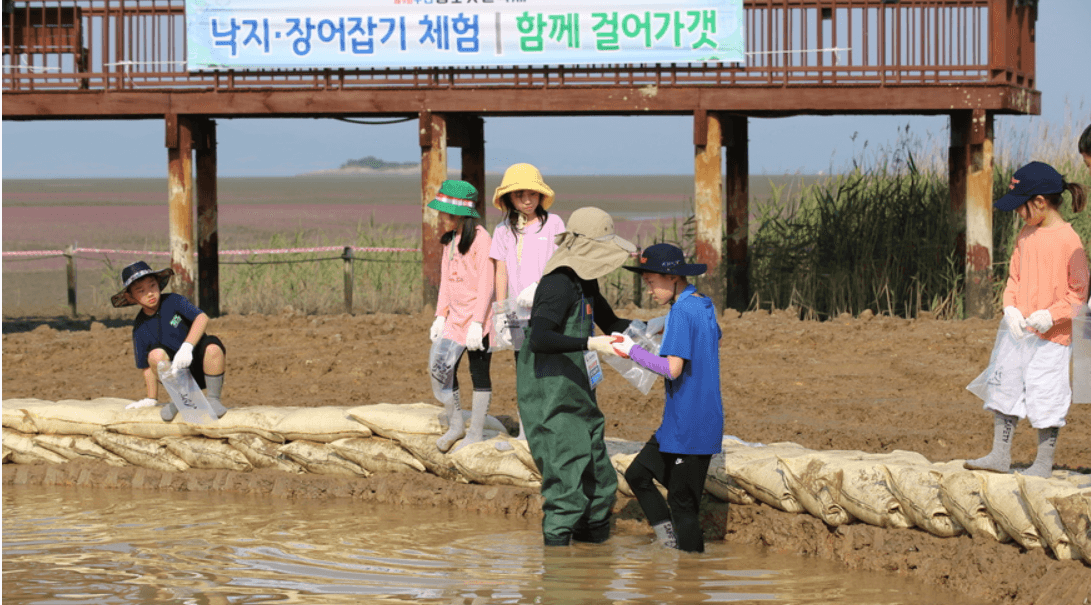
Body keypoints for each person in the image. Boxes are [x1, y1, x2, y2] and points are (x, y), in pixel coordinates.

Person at [517, 206, 635, 546]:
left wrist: (654, 329)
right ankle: (559, 576)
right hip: (550, 394)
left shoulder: (585, 279)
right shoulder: (558, 284)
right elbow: (540, 338)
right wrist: (591, 342)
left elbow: (611, 322)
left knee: (600, 480)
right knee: (565, 484)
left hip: (579, 389)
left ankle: (593, 564)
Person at [965, 161, 1088, 478]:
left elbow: (1079, 293)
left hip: (1052, 337)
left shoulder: (1068, 240)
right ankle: (999, 454)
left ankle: (1043, 463)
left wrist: (1052, 315)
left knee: (1046, 393)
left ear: (1040, 202)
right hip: (1018, 333)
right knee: (1004, 387)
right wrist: (1010, 308)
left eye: (1021, 208)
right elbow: (1014, 279)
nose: (1018, 214)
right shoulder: (1025, 234)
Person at [612, 244, 724, 552]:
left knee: (683, 506)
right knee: (638, 474)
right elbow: (714, 336)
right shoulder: (702, 303)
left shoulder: (681, 311)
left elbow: (672, 369)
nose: (648, 290)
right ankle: (668, 543)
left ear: (670, 277)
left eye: (650, 282)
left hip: (690, 423)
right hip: (681, 421)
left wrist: (631, 351)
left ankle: (689, 579)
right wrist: (664, 327)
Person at [490, 163, 566, 440]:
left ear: (540, 195)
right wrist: (501, 312)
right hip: (516, 314)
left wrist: (539, 287)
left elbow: (560, 263)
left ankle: (551, 427)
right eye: (519, 194)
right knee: (524, 371)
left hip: (548, 311)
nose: (526, 199)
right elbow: (501, 271)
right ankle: (525, 430)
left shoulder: (554, 223)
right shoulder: (502, 231)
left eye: (532, 193)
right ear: (509, 198)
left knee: (549, 369)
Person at [428, 180, 497, 453]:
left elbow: (486, 284)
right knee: (443, 370)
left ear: (461, 213)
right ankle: (456, 424)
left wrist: (478, 322)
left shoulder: (482, 239)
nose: (444, 217)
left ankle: (476, 432)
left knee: (478, 373)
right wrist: (439, 315)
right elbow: (446, 281)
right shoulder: (451, 241)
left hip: (479, 320)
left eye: (448, 212)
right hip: (454, 319)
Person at [114, 261, 228, 421]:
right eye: (141, 291)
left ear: (159, 284)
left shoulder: (174, 301)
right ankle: (182, 399)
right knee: (155, 355)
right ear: (130, 297)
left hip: (203, 367)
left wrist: (187, 347)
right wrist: (151, 398)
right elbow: (146, 367)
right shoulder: (140, 327)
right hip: (178, 378)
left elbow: (201, 318)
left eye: (152, 286)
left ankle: (213, 400)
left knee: (213, 346)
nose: (149, 293)